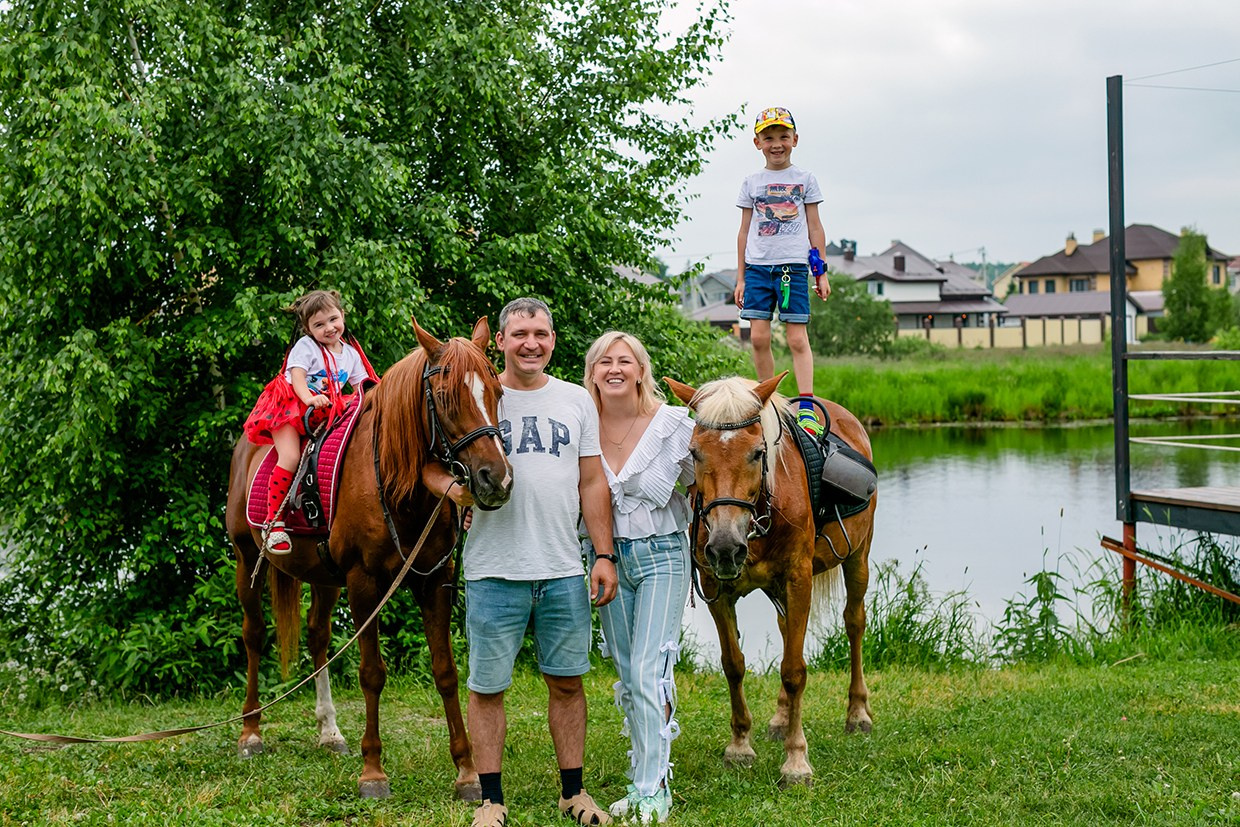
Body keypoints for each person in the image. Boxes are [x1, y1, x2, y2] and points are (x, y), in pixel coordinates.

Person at [464, 297, 619, 827]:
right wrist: (453, 493)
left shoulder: (576, 400)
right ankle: (490, 801)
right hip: (492, 567)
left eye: (542, 333)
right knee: (487, 688)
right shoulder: (482, 396)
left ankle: (573, 794)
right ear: (501, 341)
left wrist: (602, 554)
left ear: (553, 340)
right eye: (520, 333)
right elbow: (427, 469)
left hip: (561, 568)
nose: (532, 342)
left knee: (568, 682)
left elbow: (593, 481)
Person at [581, 332, 694, 825]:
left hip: (663, 555)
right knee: (629, 676)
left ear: (641, 371)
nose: (614, 368)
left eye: (624, 361)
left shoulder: (673, 426)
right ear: (592, 373)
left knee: (651, 671)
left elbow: (713, 475)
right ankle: (643, 778)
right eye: (604, 361)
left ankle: (655, 791)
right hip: (606, 560)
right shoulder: (582, 428)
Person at [243, 289, 379, 554]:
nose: (329, 328)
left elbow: (364, 386)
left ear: (342, 315)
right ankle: (274, 523)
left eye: (333, 319)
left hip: (324, 411)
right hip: (289, 406)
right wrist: (309, 398)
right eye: (319, 325)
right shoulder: (305, 347)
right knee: (291, 457)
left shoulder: (350, 354)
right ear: (308, 329)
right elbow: (298, 379)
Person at [734, 105, 832, 436]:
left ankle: (806, 406)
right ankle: (768, 400)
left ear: (795, 139)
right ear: (757, 142)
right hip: (758, 268)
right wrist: (741, 278)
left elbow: (815, 227)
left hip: (792, 266)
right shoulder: (752, 182)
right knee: (759, 337)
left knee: (796, 337)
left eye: (783, 137)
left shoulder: (805, 180)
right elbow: (744, 231)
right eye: (769, 137)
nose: (777, 144)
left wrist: (820, 272)